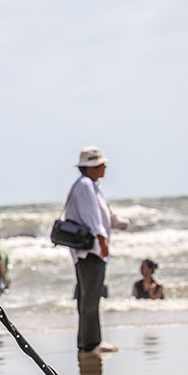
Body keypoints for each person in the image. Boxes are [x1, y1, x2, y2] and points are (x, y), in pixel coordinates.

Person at [64, 146, 128, 353]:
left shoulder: (88, 185)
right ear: (92, 166)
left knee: (88, 296)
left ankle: (87, 340)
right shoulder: (85, 186)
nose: (105, 167)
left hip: (88, 249)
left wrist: (117, 223)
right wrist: (102, 241)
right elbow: (92, 218)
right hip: (90, 250)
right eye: (102, 164)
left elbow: (99, 216)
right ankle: (92, 342)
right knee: (91, 296)